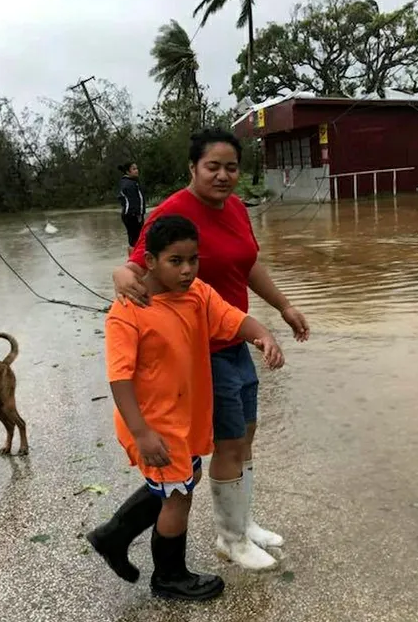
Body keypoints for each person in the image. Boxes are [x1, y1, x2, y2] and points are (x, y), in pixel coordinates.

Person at [111, 128, 310, 571]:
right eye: (212, 167)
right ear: (192, 168)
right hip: (202, 351)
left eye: (232, 167)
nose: (223, 176)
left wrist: (283, 307)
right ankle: (230, 539)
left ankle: (244, 521)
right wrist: (120, 273)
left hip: (236, 338)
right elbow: (137, 264)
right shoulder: (174, 211)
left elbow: (249, 262)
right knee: (229, 441)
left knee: (248, 435)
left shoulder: (236, 207)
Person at [89, 214, 285, 601]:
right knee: (179, 497)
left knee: (178, 482)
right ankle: (169, 577)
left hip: (184, 419)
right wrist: (143, 433)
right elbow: (120, 378)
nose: (186, 270)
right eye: (175, 261)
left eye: (192, 260)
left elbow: (231, 317)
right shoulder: (128, 312)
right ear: (149, 261)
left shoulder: (197, 294)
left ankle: (113, 536)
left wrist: (262, 335)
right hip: (152, 423)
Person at [118, 162, 146, 254]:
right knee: (136, 240)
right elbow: (133, 201)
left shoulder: (129, 182)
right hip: (133, 215)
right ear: (128, 172)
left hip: (130, 214)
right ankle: (135, 261)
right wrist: (137, 214)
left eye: (137, 168)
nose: (137, 171)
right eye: (134, 169)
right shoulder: (130, 184)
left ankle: (133, 260)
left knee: (134, 239)